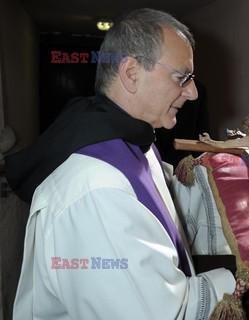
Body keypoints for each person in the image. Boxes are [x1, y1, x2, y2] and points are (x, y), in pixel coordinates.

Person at [5, 8, 235, 319]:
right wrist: (242, 284)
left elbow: (164, 202)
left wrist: (241, 201)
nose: (193, 93)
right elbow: (152, 312)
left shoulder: (131, 138)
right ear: (130, 73)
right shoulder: (96, 191)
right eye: (182, 77)